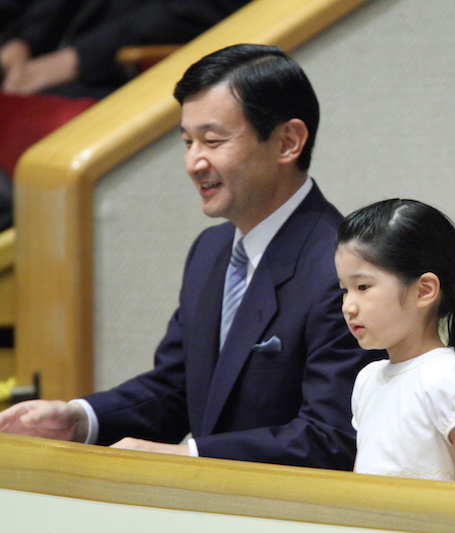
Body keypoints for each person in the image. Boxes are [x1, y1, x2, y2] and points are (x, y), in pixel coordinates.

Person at [0, 44, 379, 470]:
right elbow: (176, 389)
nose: (193, 162)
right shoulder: (210, 250)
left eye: (213, 141)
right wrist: (79, 419)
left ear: (288, 142)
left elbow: (332, 437)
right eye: (187, 141)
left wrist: (190, 456)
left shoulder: (344, 266)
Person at [335, 199, 455, 485]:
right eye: (344, 290)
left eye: (363, 287)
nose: (349, 306)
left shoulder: (447, 379)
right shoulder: (367, 380)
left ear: (424, 291)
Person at [0, 0, 250, 99]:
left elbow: (193, 9)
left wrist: (77, 60)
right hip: (48, 58)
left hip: (130, 84)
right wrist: (24, 42)